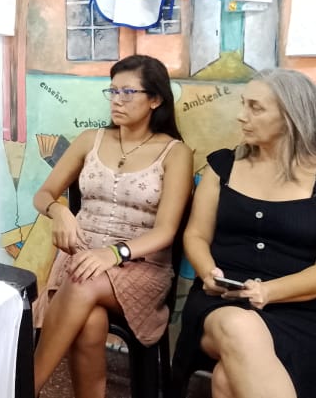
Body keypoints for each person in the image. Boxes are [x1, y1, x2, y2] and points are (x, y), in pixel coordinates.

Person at [175, 69, 316, 398]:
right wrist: (207, 272)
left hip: (304, 314)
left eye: (256, 108)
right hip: (221, 305)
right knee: (240, 326)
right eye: (243, 104)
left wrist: (269, 291)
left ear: (291, 117)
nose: (241, 115)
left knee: (226, 380)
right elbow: (196, 235)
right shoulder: (223, 166)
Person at [31, 55, 193, 396]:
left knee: (82, 281)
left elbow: (166, 231)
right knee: (90, 321)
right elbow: (44, 194)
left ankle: (22, 388)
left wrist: (114, 253)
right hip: (82, 258)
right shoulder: (90, 139)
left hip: (142, 267)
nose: (117, 100)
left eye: (128, 92)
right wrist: (59, 212)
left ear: (155, 99)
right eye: (113, 91)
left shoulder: (175, 153)